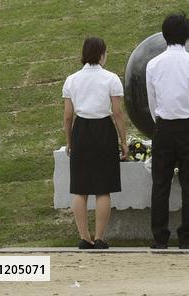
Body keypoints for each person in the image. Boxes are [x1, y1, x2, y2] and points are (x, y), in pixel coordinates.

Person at [146, 12, 189, 249]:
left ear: (164, 35)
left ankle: (160, 236)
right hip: (188, 125)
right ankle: (187, 235)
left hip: (163, 125)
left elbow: (152, 100)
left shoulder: (153, 64)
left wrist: (159, 120)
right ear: (188, 36)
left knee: (160, 182)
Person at [62, 36, 128, 250]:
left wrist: (69, 141)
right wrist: (123, 141)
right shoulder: (111, 79)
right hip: (104, 130)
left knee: (80, 188)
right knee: (103, 188)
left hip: (81, 129)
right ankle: (100, 237)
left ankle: (84, 237)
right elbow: (118, 113)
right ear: (102, 54)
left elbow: (67, 116)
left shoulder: (72, 80)